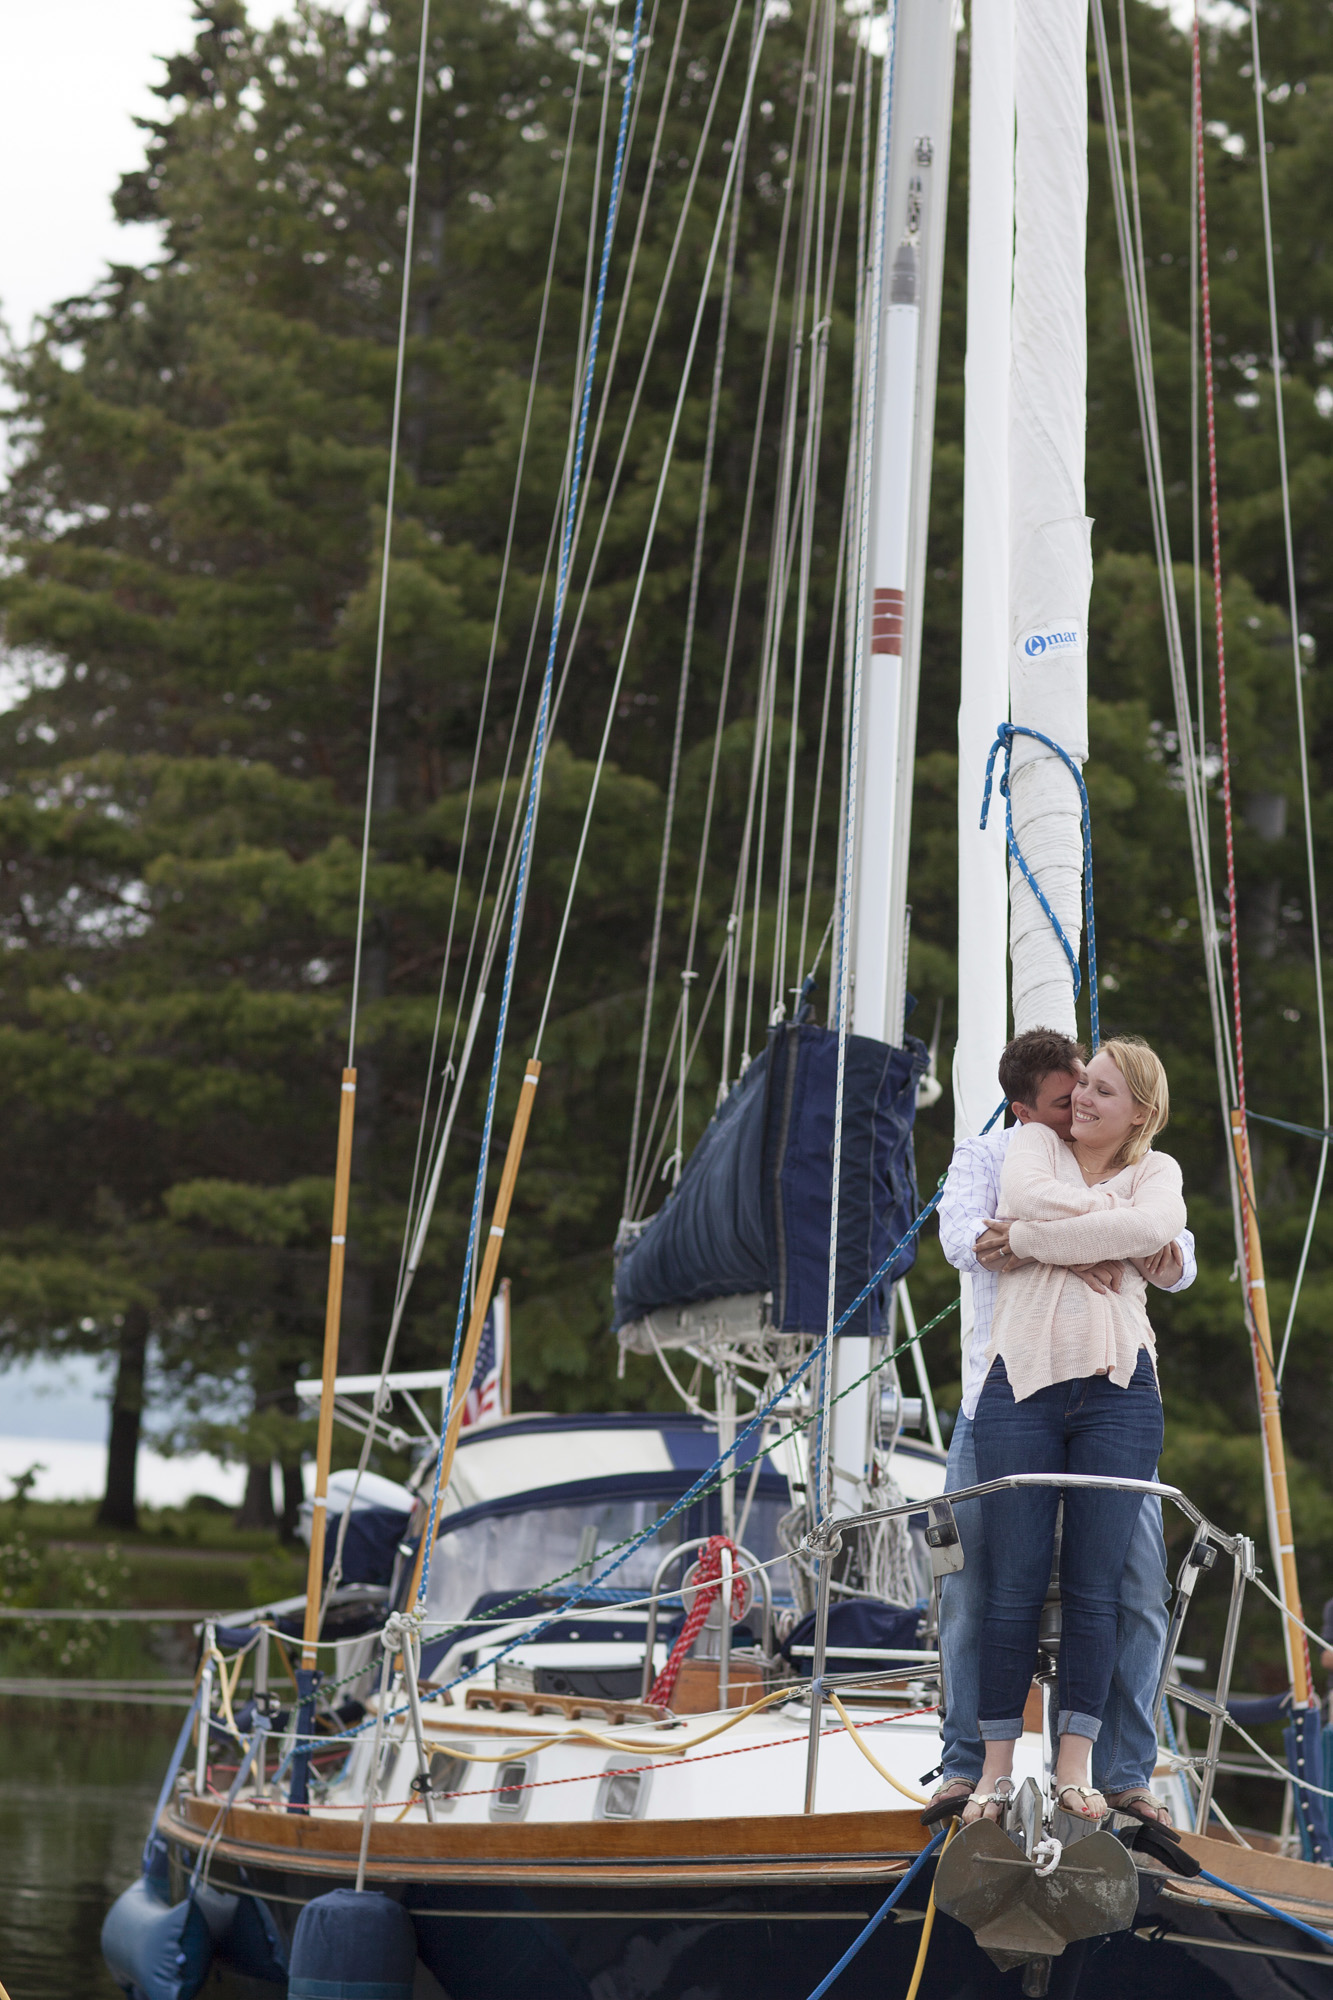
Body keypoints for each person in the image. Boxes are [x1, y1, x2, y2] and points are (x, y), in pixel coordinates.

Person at [926, 1030, 1194, 1830]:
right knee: (978, 1590)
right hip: (1000, 1391)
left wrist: (1044, 1240)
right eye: (1066, 1092)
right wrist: (1097, 1238)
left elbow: (1168, 1251)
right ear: (1024, 1110)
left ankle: (1117, 1773)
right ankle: (968, 1769)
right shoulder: (1003, 1153)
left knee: (1130, 1589)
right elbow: (968, 1243)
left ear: (1134, 1109)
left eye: (1093, 1087)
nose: (1077, 1099)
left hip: (1115, 1387)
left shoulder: (1151, 1170)